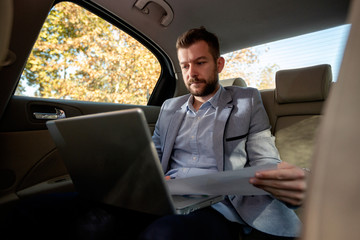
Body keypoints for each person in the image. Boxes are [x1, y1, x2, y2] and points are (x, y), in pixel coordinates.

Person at [3, 27, 307, 240]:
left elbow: (264, 156)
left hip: (220, 205)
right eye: (185, 65)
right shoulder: (171, 107)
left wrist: (282, 178)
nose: (192, 73)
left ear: (219, 63)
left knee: (162, 235)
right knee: (47, 215)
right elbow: (155, 152)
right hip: (162, 195)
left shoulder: (246, 100)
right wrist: (150, 177)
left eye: (200, 63)